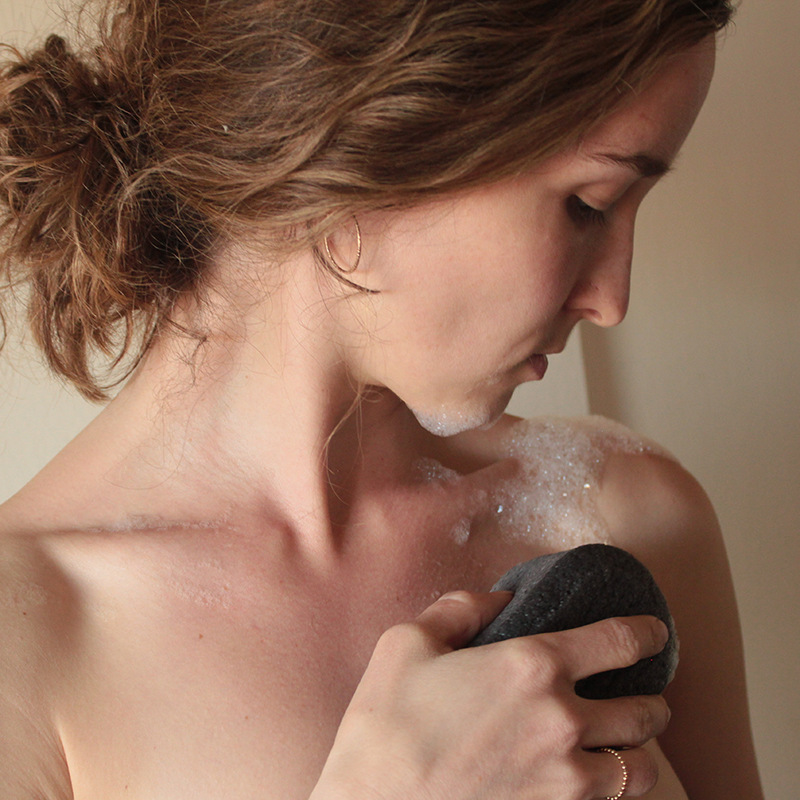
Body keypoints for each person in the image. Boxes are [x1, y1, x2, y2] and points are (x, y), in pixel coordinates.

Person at [0, 0, 763, 798]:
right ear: (370, 144)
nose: (611, 300)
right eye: (589, 205)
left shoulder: (630, 516)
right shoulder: (27, 636)